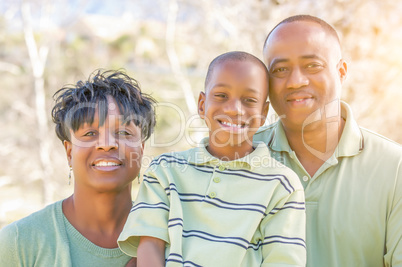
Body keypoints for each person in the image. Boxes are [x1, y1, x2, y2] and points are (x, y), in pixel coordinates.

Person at [118, 51, 306, 267]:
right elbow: (150, 247)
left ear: (263, 113)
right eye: (221, 96)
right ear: (201, 104)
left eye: (249, 100)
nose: (234, 109)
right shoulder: (165, 170)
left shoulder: (282, 185)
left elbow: (282, 261)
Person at [254, 14, 402, 266]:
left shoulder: (395, 167)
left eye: (312, 65)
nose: (296, 81)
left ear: (341, 71)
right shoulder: (240, 157)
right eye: (280, 70)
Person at [0, 69, 156, 267]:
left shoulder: (169, 239)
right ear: (69, 152)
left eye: (123, 132)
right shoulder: (19, 242)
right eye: (90, 133)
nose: (107, 144)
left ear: (141, 150)